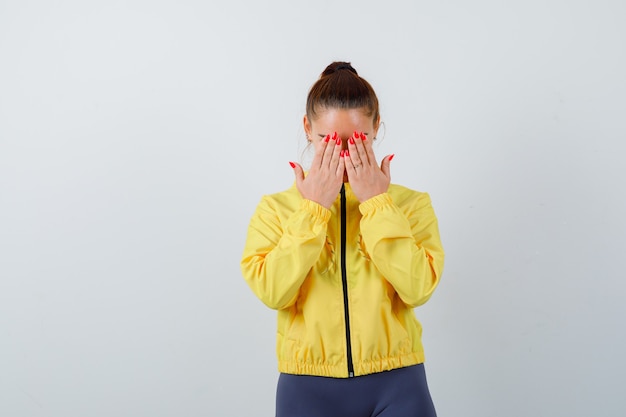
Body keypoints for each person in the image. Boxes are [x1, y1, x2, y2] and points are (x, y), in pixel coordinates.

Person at [240, 61, 445, 417]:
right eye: (329, 141)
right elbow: (273, 292)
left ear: (376, 126)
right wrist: (313, 211)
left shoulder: (411, 205)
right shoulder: (275, 210)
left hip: (398, 383)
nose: (344, 154)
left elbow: (419, 289)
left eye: (357, 141)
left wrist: (378, 205)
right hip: (306, 388)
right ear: (307, 128)